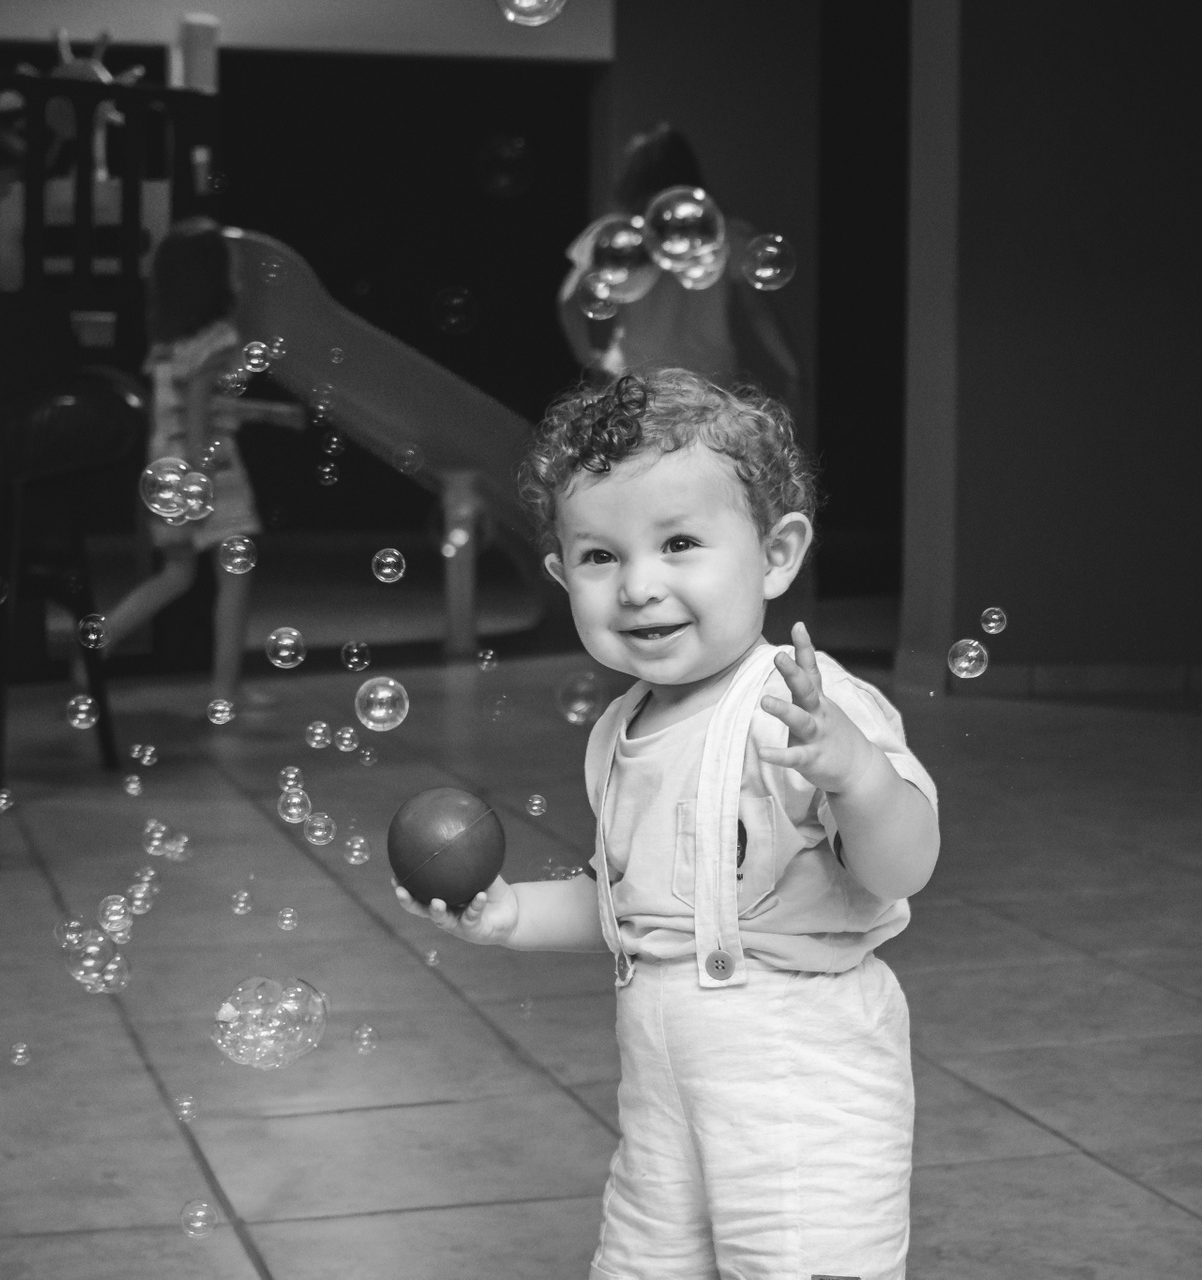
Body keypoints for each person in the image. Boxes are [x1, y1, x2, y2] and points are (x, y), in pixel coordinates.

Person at [398, 369, 940, 1279]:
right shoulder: (620, 732)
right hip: (662, 1100)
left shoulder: (805, 710)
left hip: (800, 1087)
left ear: (776, 555)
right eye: (600, 557)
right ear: (561, 575)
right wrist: (513, 915)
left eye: (680, 543)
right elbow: (639, 905)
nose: (639, 586)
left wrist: (856, 775)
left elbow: (903, 868)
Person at [102, 217, 259, 703]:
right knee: (236, 575)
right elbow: (197, 417)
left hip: (166, 466)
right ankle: (226, 691)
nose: (238, 279)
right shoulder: (218, 339)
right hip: (207, 466)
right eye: (232, 270)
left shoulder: (168, 342)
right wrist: (200, 480)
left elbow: (175, 407)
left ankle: (95, 646)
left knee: (176, 574)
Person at [557, 124, 804, 414]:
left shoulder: (614, 238)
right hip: (708, 384)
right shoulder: (724, 231)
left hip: (634, 381)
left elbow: (568, 300)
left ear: (634, 176)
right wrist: (794, 369)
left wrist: (589, 359)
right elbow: (759, 310)